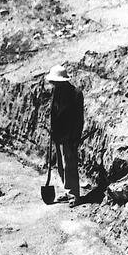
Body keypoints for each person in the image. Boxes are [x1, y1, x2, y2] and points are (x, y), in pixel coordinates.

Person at [45, 64, 84, 207]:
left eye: (55, 82)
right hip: (58, 135)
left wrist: (76, 137)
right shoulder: (56, 92)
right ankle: (67, 191)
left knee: (70, 165)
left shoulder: (76, 94)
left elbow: (79, 119)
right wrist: (52, 131)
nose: (53, 84)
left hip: (70, 136)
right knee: (60, 165)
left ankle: (74, 194)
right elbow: (54, 112)